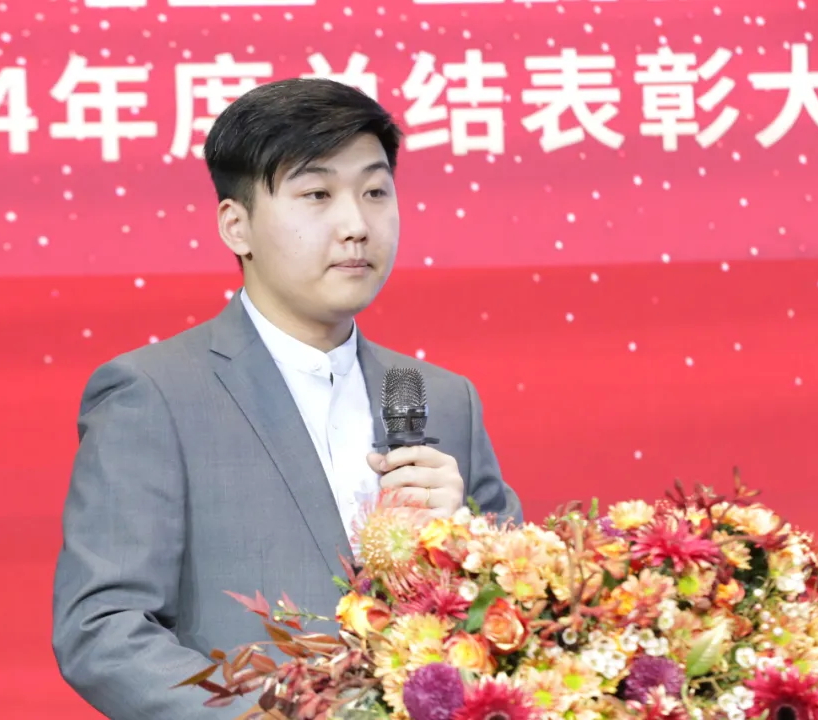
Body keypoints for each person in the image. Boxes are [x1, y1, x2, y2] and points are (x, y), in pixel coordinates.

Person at [52, 78, 523, 720]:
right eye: (317, 195)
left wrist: (467, 543)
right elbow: (102, 630)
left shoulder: (442, 398)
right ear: (236, 225)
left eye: (375, 192)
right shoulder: (154, 394)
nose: (356, 226)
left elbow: (522, 610)